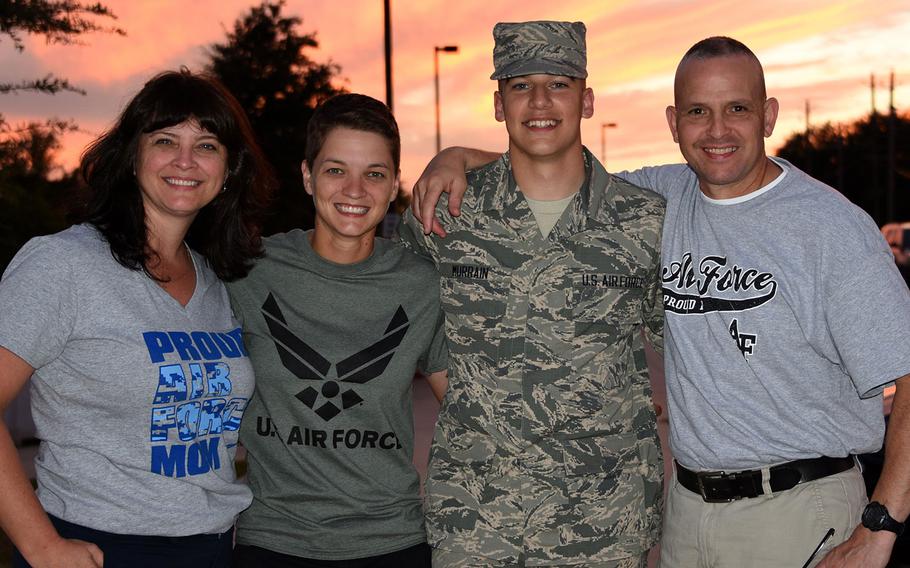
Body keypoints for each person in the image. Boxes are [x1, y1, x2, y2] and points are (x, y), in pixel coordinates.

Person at [412, 36, 910, 568]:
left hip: (796, 511)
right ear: (674, 123)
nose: (717, 131)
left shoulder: (829, 227)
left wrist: (880, 528)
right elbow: (550, 173)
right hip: (688, 515)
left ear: (767, 116)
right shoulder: (659, 200)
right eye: (698, 112)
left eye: (736, 109)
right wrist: (458, 156)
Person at [398, 20, 666, 568]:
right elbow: (403, 318)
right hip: (476, 520)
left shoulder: (644, 222)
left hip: (603, 525)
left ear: (586, 100)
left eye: (559, 84)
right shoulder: (446, 216)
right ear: (499, 104)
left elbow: (691, 349)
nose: (540, 101)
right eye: (520, 85)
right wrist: (471, 401)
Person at [0, 69, 275, 567]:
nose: (185, 160)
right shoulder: (64, 264)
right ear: (132, 156)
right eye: (166, 140)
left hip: (210, 547)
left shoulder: (219, 280)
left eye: (207, 145)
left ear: (230, 168)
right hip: (96, 545)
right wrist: (41, 546)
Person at [227, 93, 448, 568]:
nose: (355, 190)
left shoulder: (421, 284)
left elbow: (469, 408)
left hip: (390, 540)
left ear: (393, 188)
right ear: (307, 176)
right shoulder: (248, 271)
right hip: (274, 540)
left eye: (374, 174)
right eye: (335, 170)